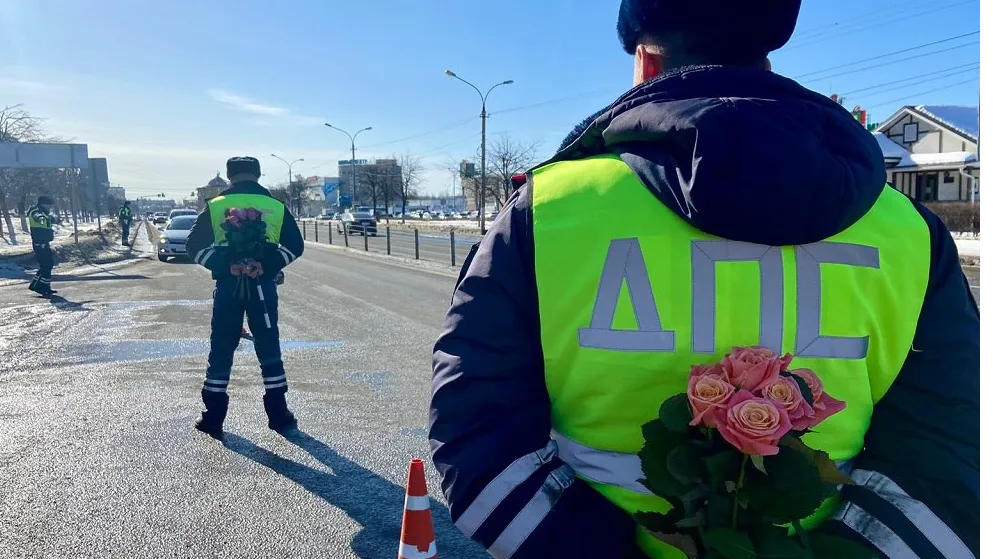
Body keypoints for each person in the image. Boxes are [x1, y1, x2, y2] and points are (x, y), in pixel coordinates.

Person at [428, 1, 980, 558]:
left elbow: (477, 434)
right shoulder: (908, 231)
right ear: (767, 59)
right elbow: (952, 453)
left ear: (645, 61)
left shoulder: (546, 210)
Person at [186, 156, 305, 439]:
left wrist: (225, 266)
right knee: (268, 347)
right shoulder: (275, 205)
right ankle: (278, 415)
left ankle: (213, 416)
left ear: (229, 176)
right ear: (259, 174)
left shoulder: (216, 206)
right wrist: (267, 265)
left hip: (228, 287)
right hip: (262, 286)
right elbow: (295, 246)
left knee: (222, 348)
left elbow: (193, 245)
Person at [26, 195, 61, 297]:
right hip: (39, 243)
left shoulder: (45, 213)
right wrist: (40, 219)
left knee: (47, 264)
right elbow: (37, 216)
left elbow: (50, 219)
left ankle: (40, 286)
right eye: (49, 205)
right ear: (43, 204)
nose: (50, 207)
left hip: (44, 242)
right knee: (46, 265)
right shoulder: (35, 211)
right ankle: (41, 287)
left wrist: (56, 220)